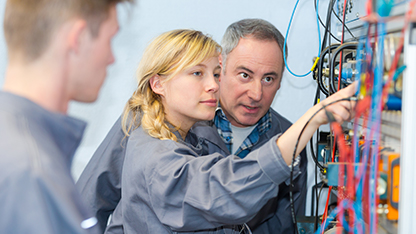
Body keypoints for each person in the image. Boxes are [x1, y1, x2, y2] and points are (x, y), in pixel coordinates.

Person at [81, 29, 356, 234]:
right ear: (158, 84)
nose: (212, 85)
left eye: (269, 79)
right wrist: (310, 121)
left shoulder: (185, 130)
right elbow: (216, 190)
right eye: (244, 75)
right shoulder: (149, 138)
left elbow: (283, 223)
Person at [0, 0, 133, 233]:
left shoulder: (20, 147)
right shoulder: (32, 172)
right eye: (109, 39)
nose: (111, 58)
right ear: (78, 38)